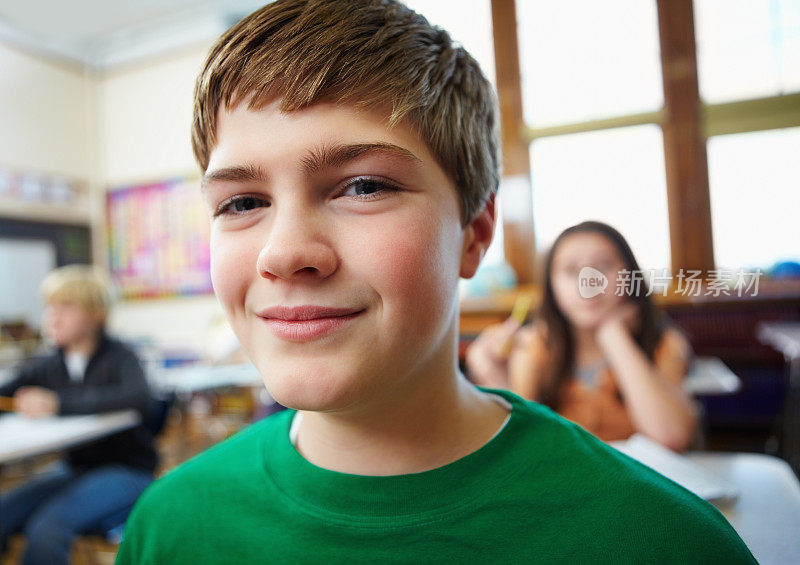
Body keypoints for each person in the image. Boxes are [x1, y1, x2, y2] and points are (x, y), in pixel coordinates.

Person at [116, 1, 754, 562]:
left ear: (474, 234)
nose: (283, 254)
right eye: (240, 202)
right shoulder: (168, 528)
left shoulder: (663, 543)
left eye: (364, 186)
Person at [467, 221, 699, 451]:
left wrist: (614, 336)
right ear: (551, 285)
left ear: (630, 275)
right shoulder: (535, 344)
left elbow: (670, 437)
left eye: (604, 266)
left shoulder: (664, 343)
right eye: (570, 271)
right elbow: (518, 443)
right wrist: (493, 378)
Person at [0, 265, 157, 565]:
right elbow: (7, 390)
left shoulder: (121, 356)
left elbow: (138, 398)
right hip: (75, 469)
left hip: (128, 470)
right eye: (50, 307)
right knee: (4, 510)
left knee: (48, 529)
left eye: (66, 307)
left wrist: (57, 403)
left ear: (96, 314)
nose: (52, 316)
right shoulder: (52, 362)